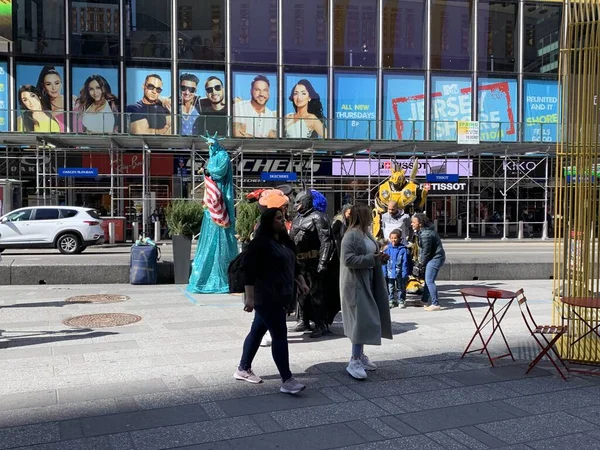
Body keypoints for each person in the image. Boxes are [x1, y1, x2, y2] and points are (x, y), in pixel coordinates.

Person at [235, 207, 309, 395]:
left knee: (258, 330)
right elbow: (248, 270)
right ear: (268, 221)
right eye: (278, 218)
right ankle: (287, 379)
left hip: (281, 294)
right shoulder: (260, 243)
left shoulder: (284, 241)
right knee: (279, 335)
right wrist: (250, 298)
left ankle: (243, 368)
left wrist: (300, 282)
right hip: (266, 296)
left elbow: (294, 266)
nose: (282, 221)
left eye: (283, 218)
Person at [340, 205, 393, 380]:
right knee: (360, 321)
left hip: (367, 281)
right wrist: (372, 259)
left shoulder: (366, 233)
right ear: (361, 216)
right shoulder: (351, 235)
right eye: (369, 215)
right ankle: (354, 360)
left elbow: (372, 255)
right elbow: (348, 259)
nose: (372, 218)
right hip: (355, 284)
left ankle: (359, 356)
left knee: (363, 319)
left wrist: (379, 259)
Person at [188, 134, 238, 293]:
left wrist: (207, 169)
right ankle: (206, 276)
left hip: (221, 199)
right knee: (211, 235)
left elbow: (218, 172)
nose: (209, 147)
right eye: (208, 144)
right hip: (213, 202)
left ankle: (221, 276)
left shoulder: (223, 156)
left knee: (222, 235)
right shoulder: (213, 156)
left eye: (211, 144)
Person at [290, 188, 338, 338]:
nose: (296, 205)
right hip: (299, 262)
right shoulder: (297, 219)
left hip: (314, 262)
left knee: (316, 294)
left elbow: (327, 241)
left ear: (306, 201)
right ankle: (303, 320)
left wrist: (323, 262)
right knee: (301, 294)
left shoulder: (319, 217)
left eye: (299, 202)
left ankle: (320, 324)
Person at [412, 213, 445, 311]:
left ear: (420, 223)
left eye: (414, 222)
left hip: (435, 258)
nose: (412, 224)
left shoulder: (426, 234)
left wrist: (421, 264)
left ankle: (435, 304)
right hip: (433, 257)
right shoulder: (423, 231)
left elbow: (426, 252)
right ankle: (424, 301)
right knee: (428, 280)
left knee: (430, 281)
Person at [36, 66, 76, 132]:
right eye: (48, 84)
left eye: (56, 83)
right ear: (43, 86)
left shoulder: (73, 99)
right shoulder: (42, 107)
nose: (54, 88)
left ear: (61, 83)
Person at [383, 229, 411, 308]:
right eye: (391, 238)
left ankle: (401, 300)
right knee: (390, 287)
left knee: (400, 287)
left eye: (395, 238)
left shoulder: (403, 250)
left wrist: (405, 273)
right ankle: (391, 300)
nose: (393, 240)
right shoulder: (387, 249)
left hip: (400, 272)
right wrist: (384, 272)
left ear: (399, 239)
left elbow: (405, 262)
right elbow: (384, 262)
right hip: (390, 272)